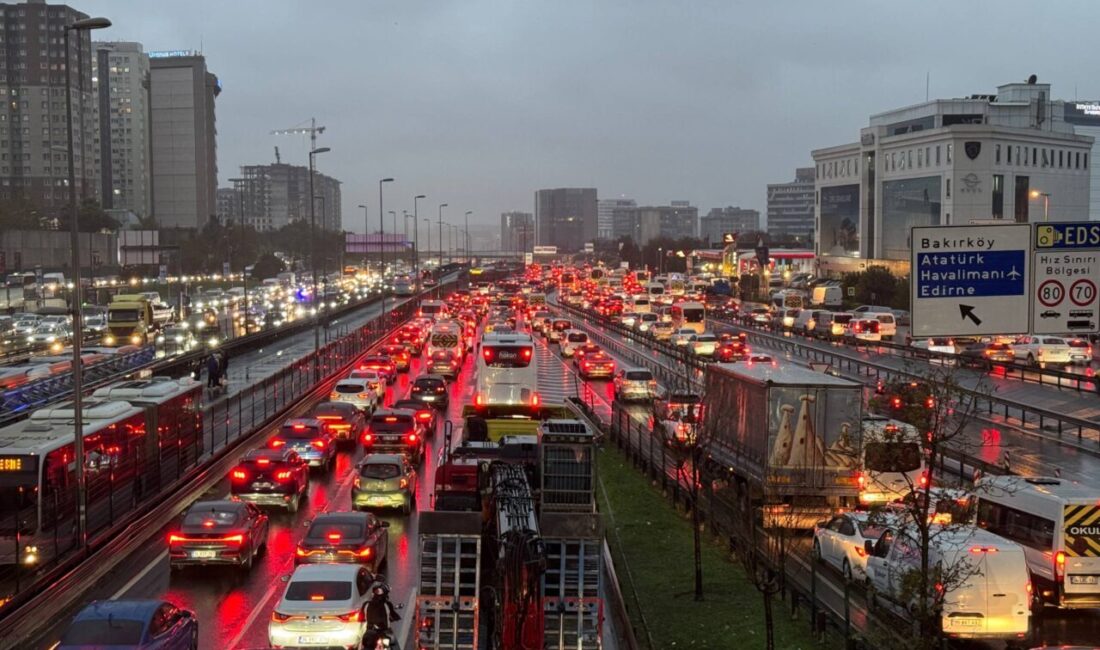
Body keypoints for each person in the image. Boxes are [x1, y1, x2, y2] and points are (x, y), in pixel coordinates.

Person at [364, 582, 401, 649]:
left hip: (370, 632)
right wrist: (396, 618)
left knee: (363, 644)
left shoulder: (366, 604)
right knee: (394, 644)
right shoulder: (387, 604)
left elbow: (362, 617)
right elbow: (393, 615)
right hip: (385, 632)